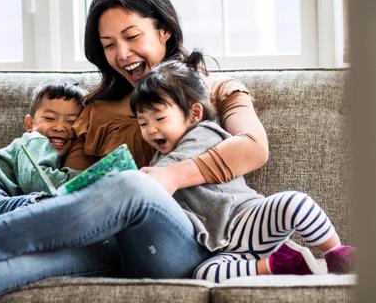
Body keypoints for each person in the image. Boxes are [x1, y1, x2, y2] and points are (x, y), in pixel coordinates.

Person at [0, 0, 274, 301]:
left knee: (135, 184)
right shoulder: (95, 109)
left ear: (165, 31)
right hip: (108, 245)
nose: (122, 54)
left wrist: (170, 177)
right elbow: (72, 193)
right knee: (31, 255)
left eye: (132, 37)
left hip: (190, 245)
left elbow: (254, 146)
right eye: (109, 44)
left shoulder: (214, 89)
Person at [129, 50, 356, 283]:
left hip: (248, 219)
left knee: (294, 202)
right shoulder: (157, 162)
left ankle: (335, 252)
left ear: (194, 113)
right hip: (224, 247)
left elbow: (166, 171)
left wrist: (133, 182)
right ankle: (278, 265)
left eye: (159, 119)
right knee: (203, 273)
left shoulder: (203, 134)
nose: (150, 130)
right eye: (143, 123)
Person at [0, 81, 85, 224]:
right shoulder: (35, 140)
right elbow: (37, 182)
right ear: (30, 124)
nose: (60, 127)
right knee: (46, 206)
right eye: (50, 118)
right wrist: (89, 177)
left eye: (71, 121)